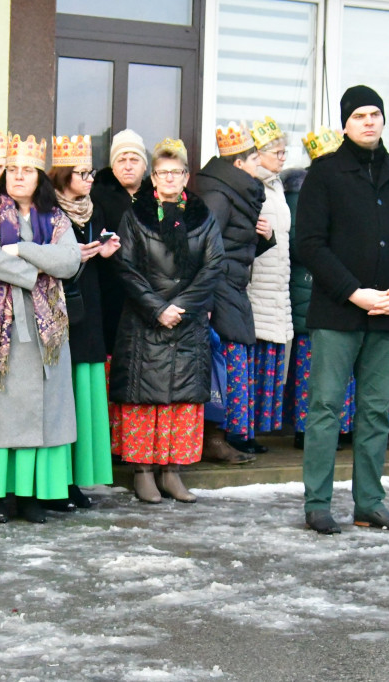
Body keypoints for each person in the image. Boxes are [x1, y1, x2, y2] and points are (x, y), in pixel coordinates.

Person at [296, 86, 389, 534]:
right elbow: (309, 244)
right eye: (359, 116)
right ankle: (317, 503)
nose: (369, 121)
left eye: (375, 113)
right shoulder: (325, 173)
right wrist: (353, 292)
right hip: (340, 312)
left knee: (376, 411)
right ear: (345, 124)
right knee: (326, 408)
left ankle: (370, 502)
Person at [0, 134, 81, 523]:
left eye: (26, 170)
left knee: (43, 416)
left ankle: (33, 496)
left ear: (39, 177)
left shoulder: (57, 217)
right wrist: (37, 270)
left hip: (48, 334)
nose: (17, 176)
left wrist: (22, 249)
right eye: (12, 170)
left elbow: (69, 262)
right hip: (0, 330)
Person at [109, 138, 224, 503]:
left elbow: (214, 265)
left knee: (180, 401)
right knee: (145, 400)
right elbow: (125, 267)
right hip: (145, 321)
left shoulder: (202, 215)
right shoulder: (135, 214)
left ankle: (172, 472)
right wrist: (158, 308)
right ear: (153, 178)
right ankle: (143, 473)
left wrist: (182, 306)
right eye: (163, 172)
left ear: (186, 176)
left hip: (187, 323)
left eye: (177, 172)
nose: (170, 178)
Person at [47, 135, 120, 510]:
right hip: (56, 308)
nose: (90, 178)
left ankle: (76, 478)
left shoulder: (95, 208)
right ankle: (56, 479)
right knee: (60, 397)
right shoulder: (47, 210)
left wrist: (103, 252)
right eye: (82, 172)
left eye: (91, 172)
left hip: (88, 308)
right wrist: (72, 257)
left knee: (84, 394)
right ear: (62, 175)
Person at [196, 122, 270, 464]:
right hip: (220, 290)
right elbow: (203, 249)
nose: (260, 164)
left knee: (234, 363)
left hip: (231, 287)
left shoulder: (236, 192)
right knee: (223, 366)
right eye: (255, 158)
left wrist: (263, 238)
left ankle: (225, 437)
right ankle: (215, 439)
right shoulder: (219, 195)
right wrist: (207, 302)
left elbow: (238, 246)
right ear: (239, 164)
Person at [286, 128, 357, 452]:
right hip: (310, 289)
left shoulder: (346, 187)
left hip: (345, 290)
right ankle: (307, 429)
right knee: (311, 366)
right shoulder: (304, 192)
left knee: (344, 363)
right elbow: (303, 244)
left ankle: (343, 426)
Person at [246, 117, 293, 441]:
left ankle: (258, 431)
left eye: (284, 151)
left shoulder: (277, 185)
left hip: (278, 280)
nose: (282, 157)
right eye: (276, 151)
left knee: (272, 359)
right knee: (256, 360)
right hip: (259, 280)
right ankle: (244, 432)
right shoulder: (253, 185)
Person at [91, 129, 148, 356]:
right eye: (121, 160)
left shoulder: (154, 197)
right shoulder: (98, 196)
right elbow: (96, 238)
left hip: (147, 294)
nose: (127, 165)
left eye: (134, 160)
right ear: (113, 166)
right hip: (112, 292)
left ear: (144, 166)